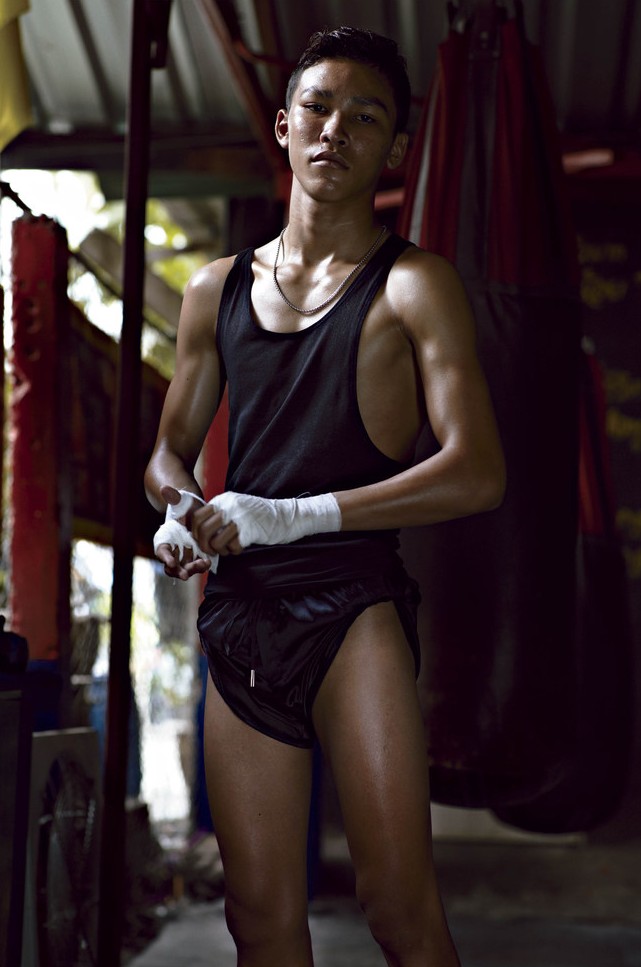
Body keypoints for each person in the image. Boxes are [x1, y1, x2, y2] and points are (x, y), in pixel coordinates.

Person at [145, 25, 505, 967]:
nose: (335, 128)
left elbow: (477, 470)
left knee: (398, 908)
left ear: (396, 148)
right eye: (317, 105)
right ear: (283, 124)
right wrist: (180, 508)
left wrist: (292, 515)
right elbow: (168, 452)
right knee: (259, 918)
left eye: (365, 115)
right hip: (243, 614)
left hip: (352, 607)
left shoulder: (414, 285)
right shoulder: (213, 290)